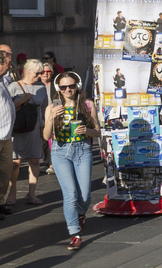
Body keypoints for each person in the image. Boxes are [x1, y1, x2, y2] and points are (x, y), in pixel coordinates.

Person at [44, 70, 100, 250]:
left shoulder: (87, 104)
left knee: (84, 196)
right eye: (63, 87)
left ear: (78, 86)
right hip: (60, 152)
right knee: (70, 194)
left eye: (71, 86)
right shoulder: (52, 106)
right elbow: (46, 136)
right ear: (58, 89)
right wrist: (52, 118)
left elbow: (97, 131)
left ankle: (81, 214)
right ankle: (74, 234)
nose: (68, 90)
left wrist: (87, 131)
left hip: (82, 150)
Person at [9, 59, 47, 205]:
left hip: (34, 128)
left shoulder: (42, 87)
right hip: (17, 128)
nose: (39, 76)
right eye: (37, 73)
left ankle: (31, 194)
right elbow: (7, 108)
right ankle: (12, 193)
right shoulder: (13, 87)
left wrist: (45, 128)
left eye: (41, 73)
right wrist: (21, 100)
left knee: (35, 160)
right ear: (27, 71)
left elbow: (44, 109)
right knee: (15, 162)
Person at [0, 51, 17, 219]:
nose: (10, 67)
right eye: (8, 63)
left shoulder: (2, 80)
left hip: (6, 135)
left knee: (4, 171)